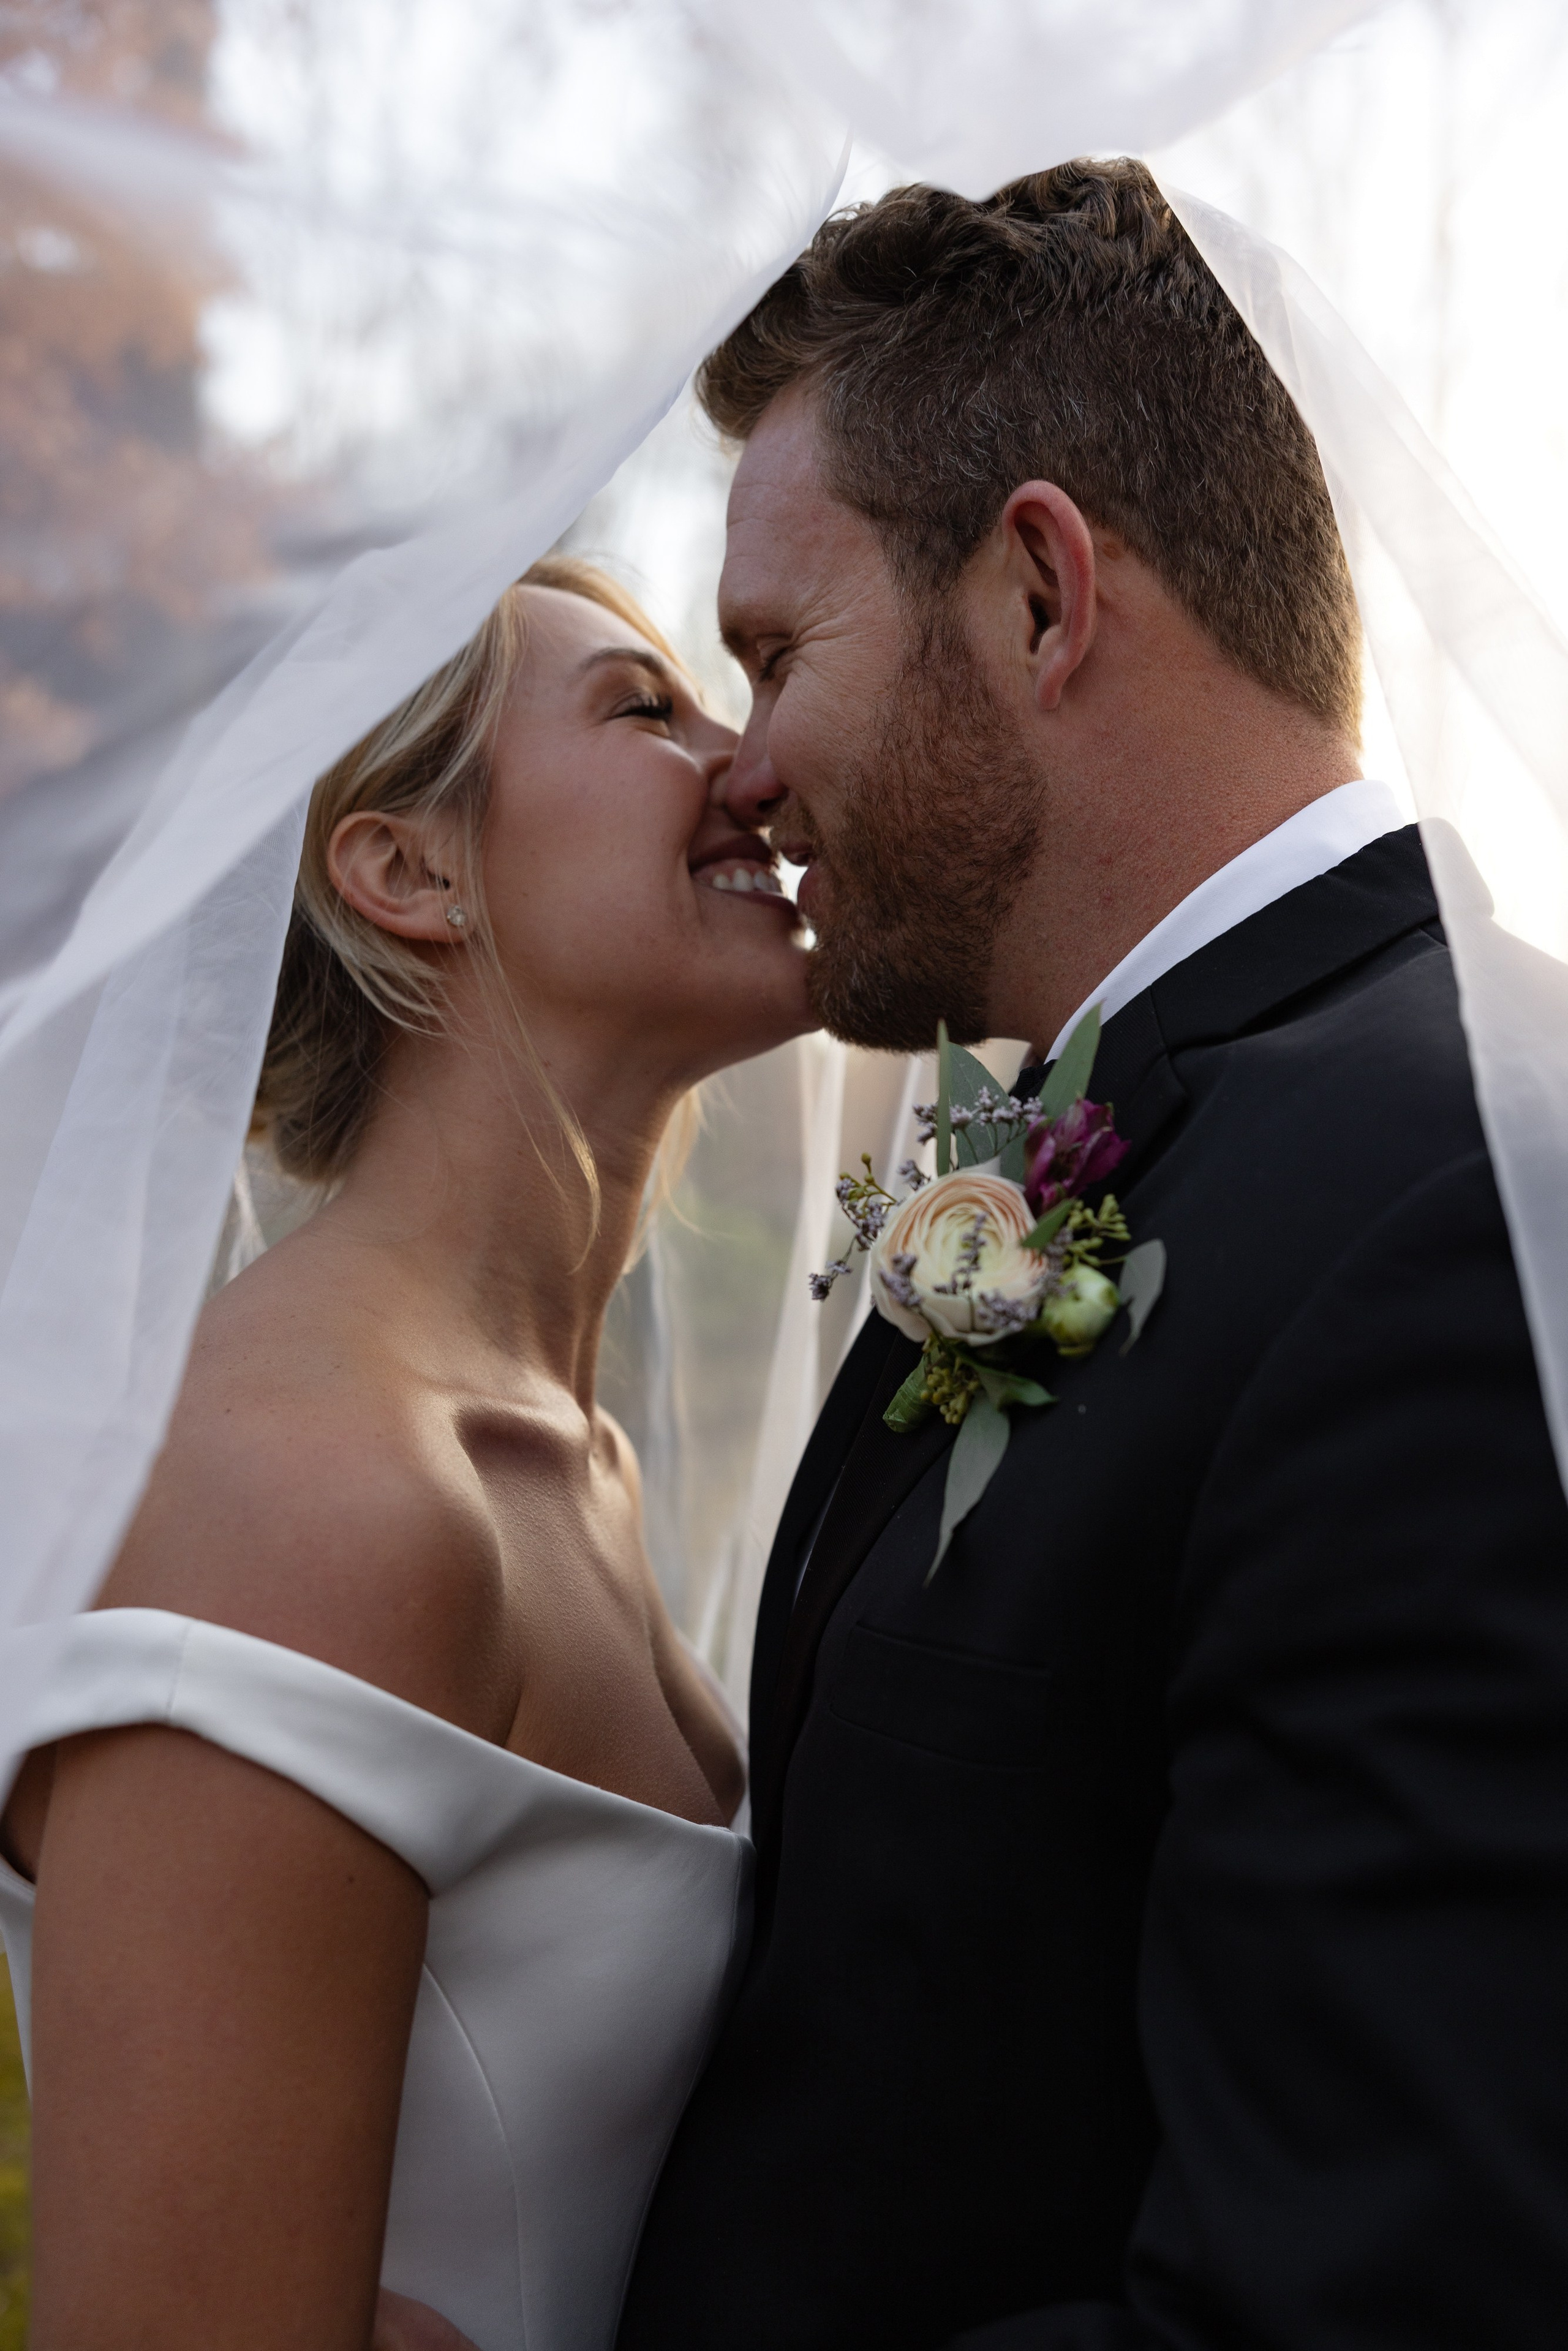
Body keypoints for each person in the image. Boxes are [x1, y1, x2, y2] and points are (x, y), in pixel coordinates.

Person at [617, 162, 1568, 2348]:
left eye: (776, 651)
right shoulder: (1200, 1130)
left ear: (1040, 594)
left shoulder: (1431, 1214)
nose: (741, 766)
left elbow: (1362, 2293)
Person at [0, 555, 810, 2351]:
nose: (751, 763)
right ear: (406, 869)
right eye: (643, 708)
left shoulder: (572, 1458)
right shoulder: (300, 1487)